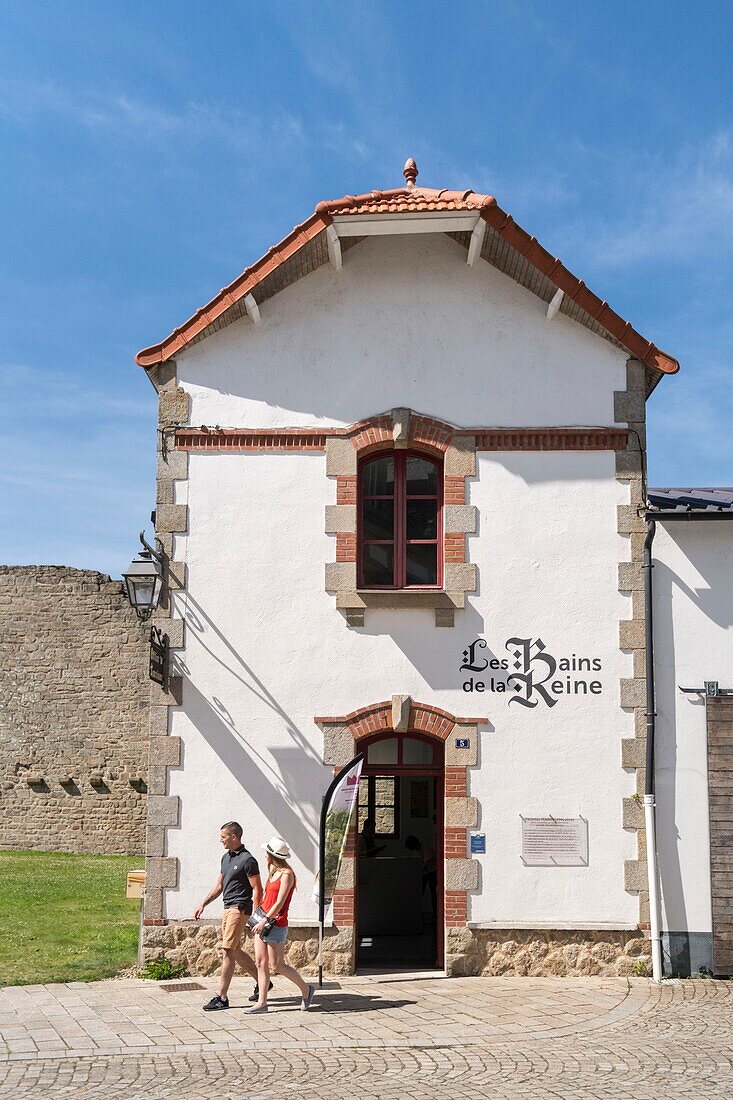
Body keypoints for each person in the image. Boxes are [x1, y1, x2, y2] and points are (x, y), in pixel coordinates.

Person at [195, 821, 272, 1011]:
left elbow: (257, 888)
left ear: (234, 837)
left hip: (239, 909)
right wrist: (204, 903)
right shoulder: (225, 858)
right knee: (235, 950)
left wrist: (256, 912)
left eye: (223, 837)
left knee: (228, 950)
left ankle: (221, 997)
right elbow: (219, 886)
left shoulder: (248, 860)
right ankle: (264, 981)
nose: (220, 840)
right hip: (227, 908)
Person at [246, 836, 315, 1014]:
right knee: (261, 962)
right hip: (262, 920)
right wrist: (258, 914)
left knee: (277, 965)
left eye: (267, 852)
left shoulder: (287, 874)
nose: (265, 855)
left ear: (272, 854)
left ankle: (306, 990)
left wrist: (264, 920)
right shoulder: (272, 870)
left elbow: (279, 902)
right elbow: (267, 897)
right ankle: (262, 1002)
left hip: (276, 923)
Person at [405, 834, 437, 919]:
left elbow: (427, 861)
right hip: (424, 873)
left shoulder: (425, 846)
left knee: (434, 893)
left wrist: (418, 871)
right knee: (419, 893)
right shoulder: (417, 850)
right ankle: (416, 912)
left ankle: (435, 915)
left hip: (431, 872)